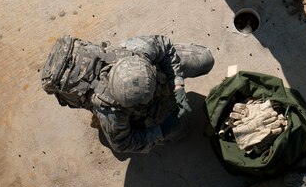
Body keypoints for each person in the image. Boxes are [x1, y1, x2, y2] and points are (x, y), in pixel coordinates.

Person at [40, 35, 215, 154]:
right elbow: (123, 143)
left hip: (157, 72)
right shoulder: (110, 112)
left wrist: (177, 84)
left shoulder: (137, 49)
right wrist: (160, 131)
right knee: (179, 129)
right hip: (127, 111)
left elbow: (165, 47)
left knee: (205, 58)